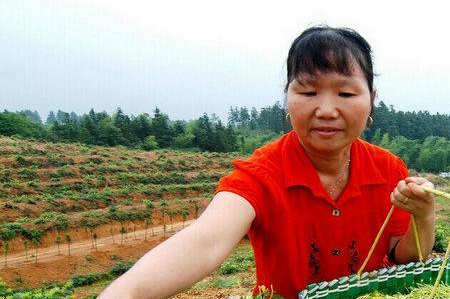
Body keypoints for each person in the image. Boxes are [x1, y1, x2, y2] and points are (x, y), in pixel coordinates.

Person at [99, 25, 436, 299]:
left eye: (346, 94)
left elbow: (402, 257)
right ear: (287, 97)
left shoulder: (388, 168)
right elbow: (205, 241)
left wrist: (422, 216)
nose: (327, 110)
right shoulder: (263, 174)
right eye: (307, 92)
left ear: (371, 100)